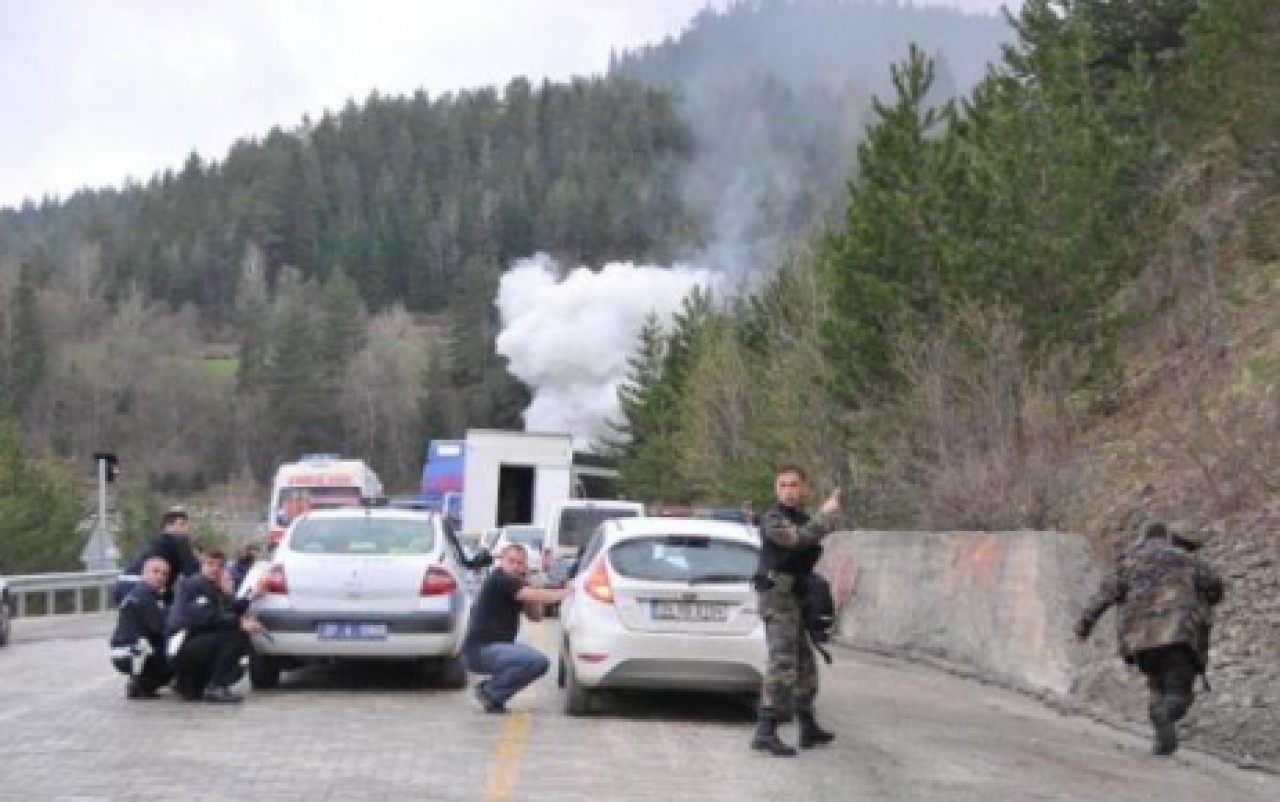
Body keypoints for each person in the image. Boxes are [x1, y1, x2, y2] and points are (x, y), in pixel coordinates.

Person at [1075, 520, 1224, 756]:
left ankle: (1162, 741)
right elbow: (1214, 585)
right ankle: (1165, 715)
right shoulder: (1185, 558)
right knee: (1178, 691)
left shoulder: (1128, 562)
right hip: (1179, 633)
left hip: (1139, 640)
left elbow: (1103, 597)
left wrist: (1084, 626)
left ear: (1142, 538)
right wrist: (1207, 601)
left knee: (1157, 683)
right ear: (1166, 537)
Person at [751, 464, 842, 757]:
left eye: (794, 485)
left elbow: (807, 538)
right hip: (777, 598)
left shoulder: (800, 517)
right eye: (783, 485)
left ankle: (807, 725)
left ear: (805, 489)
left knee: (805, 665)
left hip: (794, 598)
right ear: (776, 489)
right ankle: (765, 731)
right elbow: (798, 539)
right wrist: (826, 516)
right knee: (782, 664)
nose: (788, 491)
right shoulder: (773, 519)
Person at [461, 543, 571, 714]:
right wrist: (566, 592)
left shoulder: (515, 584)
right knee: (534, 661)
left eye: (520, 563)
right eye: (511, 561)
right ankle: (490, 692)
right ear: (501, 562)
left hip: (497, 650)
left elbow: (535, 616)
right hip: (479, 651)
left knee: (539, 663)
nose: (515, 567)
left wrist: (533, 585)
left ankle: (492, 693)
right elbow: (532, 596)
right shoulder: (500, 578)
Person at [166, 550, 264, 703]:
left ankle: (191, 683)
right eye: (210, 564)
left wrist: (250, 597)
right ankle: (216, 686)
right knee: (235, 635)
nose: (214, 569)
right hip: (181, 648)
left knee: (233, 631)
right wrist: (240, 623)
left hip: (193, 644)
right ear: (201, 565)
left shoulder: (211, 587)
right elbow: (206, 617)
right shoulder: (194, 584)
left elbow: (226, 611)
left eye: (219, 565)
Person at [108, 556, 174, 699]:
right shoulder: (144, 596)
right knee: (177, 656)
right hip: (131, 652)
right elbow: (160, 627)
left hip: (124, 651)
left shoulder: (147, 594)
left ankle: (141, 683)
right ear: (143, 574)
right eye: (155, 571)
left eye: (164, 574)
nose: (160, 577)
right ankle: (139, 683)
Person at [114, 507, 200, 604]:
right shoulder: (178, 539)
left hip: (123, 584)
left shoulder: (159, 542)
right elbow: (192, 572)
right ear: (169, 526)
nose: (187, 530)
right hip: (139, 585)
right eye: (183, 525)